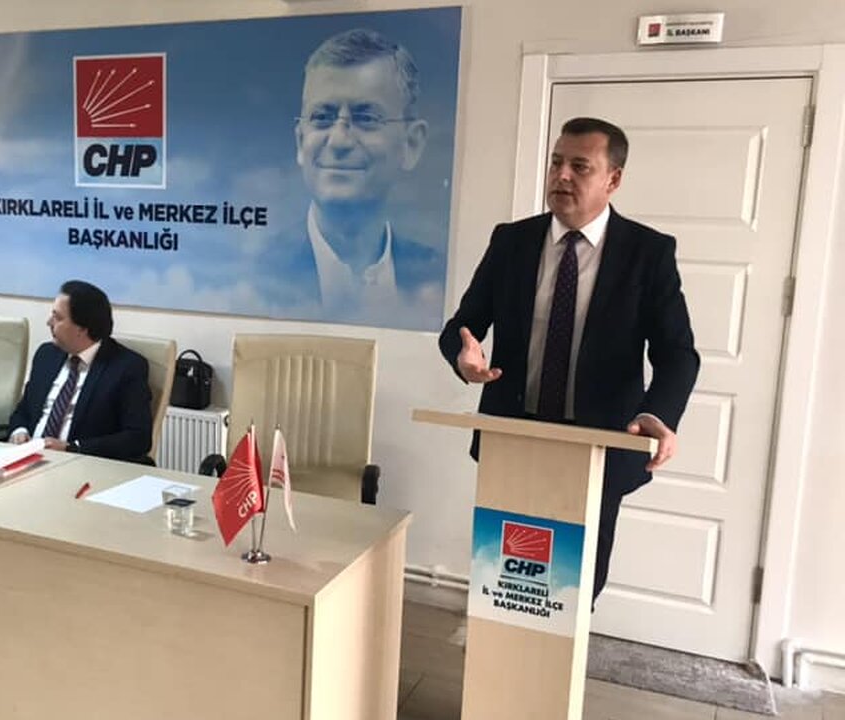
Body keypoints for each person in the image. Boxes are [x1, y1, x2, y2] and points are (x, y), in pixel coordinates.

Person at [437, 117, 700, 603]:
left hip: (599, 446)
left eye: (580, 166)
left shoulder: (647, 253)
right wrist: (463, 355)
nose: (561, 175)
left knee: (574, 591)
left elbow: (678, 353)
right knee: (506, 584)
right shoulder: (511, 241)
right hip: (515, 441)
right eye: (556, 162)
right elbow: (463, 326)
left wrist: (658, 413)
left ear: (613, 179)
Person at [268, 28, 440, 320]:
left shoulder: (435, 274)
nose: (339, 141)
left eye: (366, 118)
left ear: (411, 143)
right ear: (300, 141)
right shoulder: (254, 273)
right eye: (322, 117)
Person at [8, 280, 152, 462]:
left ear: (82, 328)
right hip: (28, 460)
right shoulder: (46, 355)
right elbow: (23, 411)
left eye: (58, 318)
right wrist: (19, 431)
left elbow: (138, 438)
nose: (49, 322)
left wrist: (72, 448)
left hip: (81, 465)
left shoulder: (126, 367)